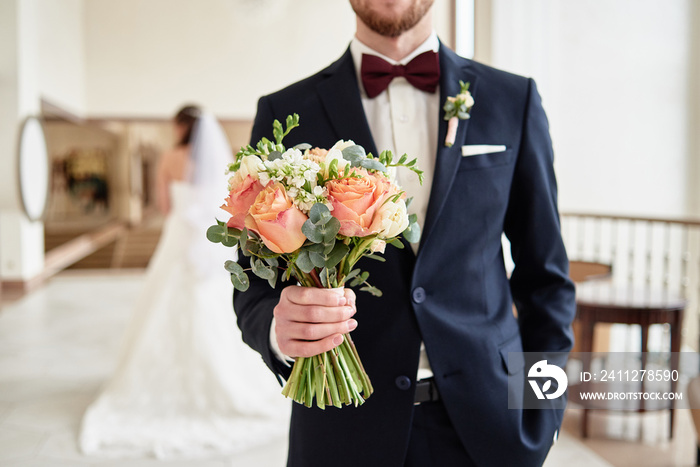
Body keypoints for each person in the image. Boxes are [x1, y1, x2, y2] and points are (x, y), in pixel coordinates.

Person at [233, 1, 576, 466]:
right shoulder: (286, 110)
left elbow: (546, 280)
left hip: (490, 428)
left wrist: (541, 409)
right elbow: (255, 283)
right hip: (341, 431)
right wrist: (278, 329)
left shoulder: (513, 99)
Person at [79, 105, 289, 459]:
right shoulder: (221, 160)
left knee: (164, 302)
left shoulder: (169, 159)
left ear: (180, 127)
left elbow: (164, 205)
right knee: (215, 308)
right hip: (208, 242)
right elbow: (225, 205)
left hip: (179, 237)